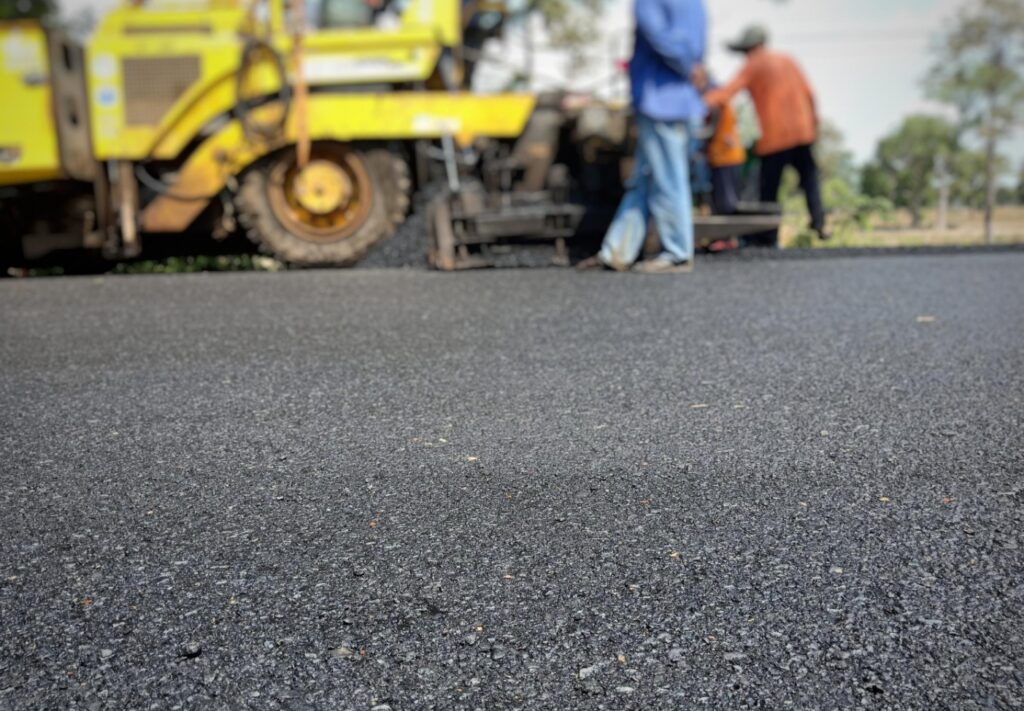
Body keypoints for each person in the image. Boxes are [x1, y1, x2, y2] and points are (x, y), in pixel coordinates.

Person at [579, 0, 707, 273]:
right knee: (645, 177)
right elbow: (696, 43)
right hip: (681, 98)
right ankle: (617, 252)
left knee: (667, 178)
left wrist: (686, 66)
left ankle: (677, 252)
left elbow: (659, 36)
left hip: (658, 98)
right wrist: (692, 67)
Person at [704, 25, 829, 246]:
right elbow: (810, 94)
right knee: (810, 179)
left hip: (776, 137)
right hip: (802, 131)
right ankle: (819, 221)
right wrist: (814, 125)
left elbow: (728, 92)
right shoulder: (788, 60)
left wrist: (697, 103)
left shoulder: (754, 64)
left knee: (768, 188)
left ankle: (767, 236)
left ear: (753, 47)